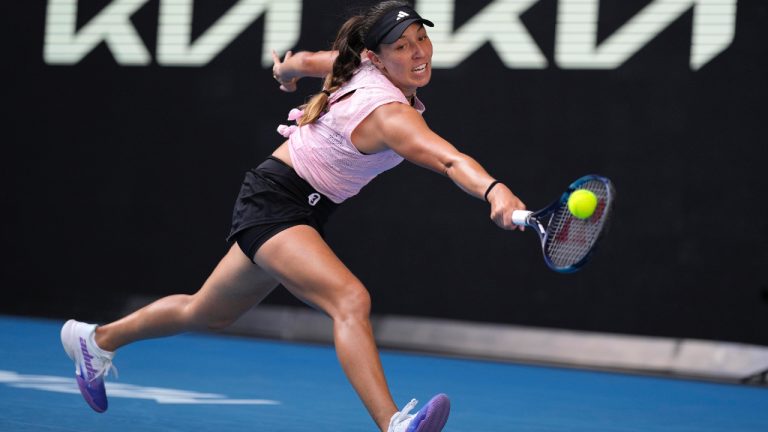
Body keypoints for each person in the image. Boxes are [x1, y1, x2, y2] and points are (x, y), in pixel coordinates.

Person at [60, 1, 527, 431]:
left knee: (208, 311)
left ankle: (97, 339)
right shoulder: (390, 115)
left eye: (420, 39)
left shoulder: (359, 67)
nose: (418, 52)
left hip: (294, 204)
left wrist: (287, 70)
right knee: (350, 300)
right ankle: (393, 424)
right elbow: (448, 159)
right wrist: (494, 190)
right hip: (277, 201)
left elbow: (305, 61)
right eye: (401, 46)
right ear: (378, 57)